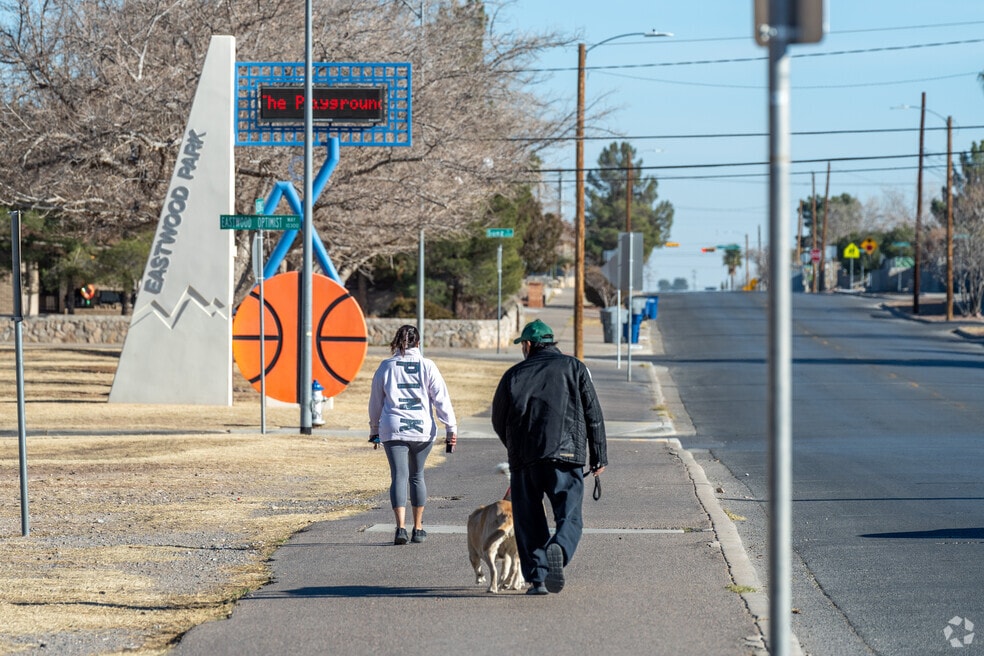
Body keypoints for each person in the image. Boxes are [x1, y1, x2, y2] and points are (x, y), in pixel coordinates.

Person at [491, 319, 607, 595]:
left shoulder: (514, 375)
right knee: (569, 515)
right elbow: (594, 414)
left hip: (525, 460)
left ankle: (538, 580)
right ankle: (560, 547)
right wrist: (598, 457)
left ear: (528, 345)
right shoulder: (575, 367)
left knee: (529, 519)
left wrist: (513, 446)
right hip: (567, 456)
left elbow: (498, 418)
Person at [369, 325, 457, 545]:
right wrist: (451, 428)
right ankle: (418, 528)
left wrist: (374, 430)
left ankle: (400, 528)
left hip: (393, 427)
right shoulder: (428, 365)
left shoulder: (386, 366)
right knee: (416, 476)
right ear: (418, 343)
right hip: (422, 429)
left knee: (398, 476)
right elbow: (441, 399)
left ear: (397, 342)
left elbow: (375, 402)